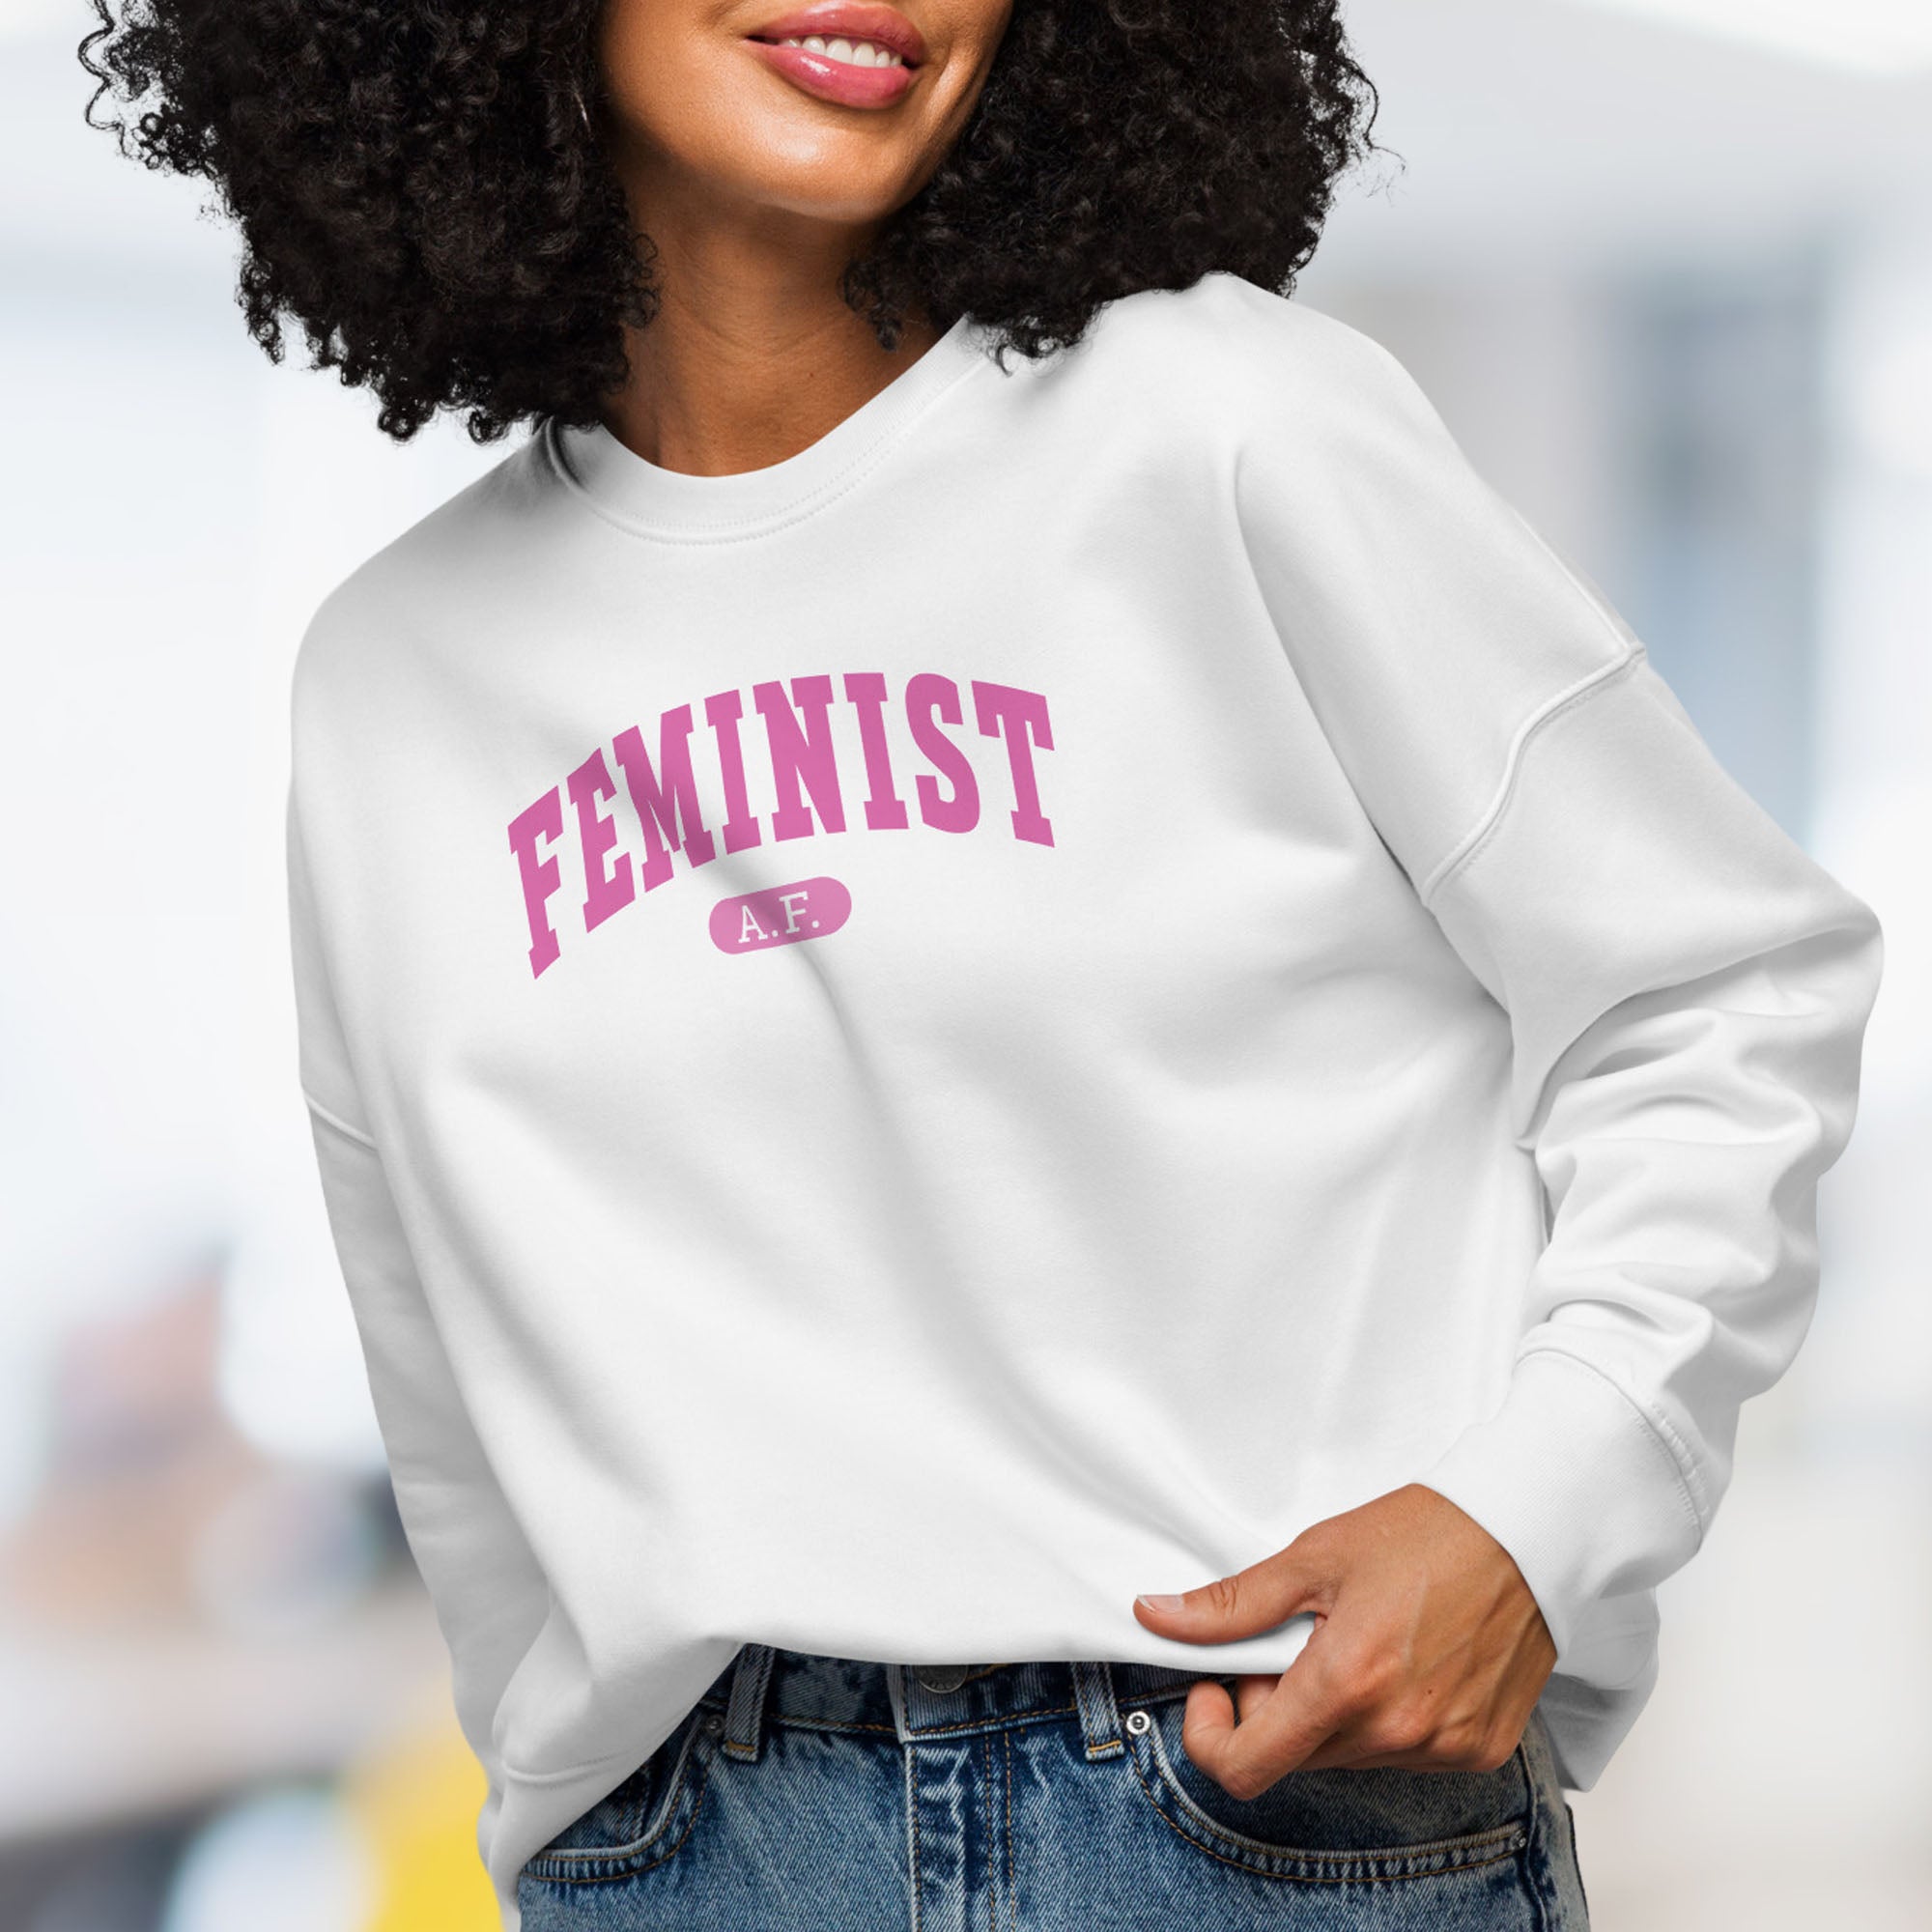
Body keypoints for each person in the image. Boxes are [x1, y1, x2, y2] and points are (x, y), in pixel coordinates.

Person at [82, 1, 1883, 1928]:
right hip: (697, 1857)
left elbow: (1722, 990)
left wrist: (1528, 1517)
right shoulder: (395, 674)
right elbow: (453, 1392)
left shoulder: (1227, 424)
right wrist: (574, 1815)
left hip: (1251, 1802)